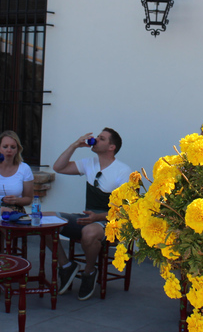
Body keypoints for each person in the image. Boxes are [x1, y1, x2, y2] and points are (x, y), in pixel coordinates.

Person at [52, 127, 132, 300]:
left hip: (111, 222)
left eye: (101, 138)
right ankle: (66, 266)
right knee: (45, 220)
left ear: (112, 147)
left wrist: (97, 217)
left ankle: (89, 272)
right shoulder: (89, 163)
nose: (95, 140)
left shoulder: (123, 171)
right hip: (88, 219)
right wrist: (74, 145)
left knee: (89, 232)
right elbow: (58, 167)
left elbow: (125, 210)